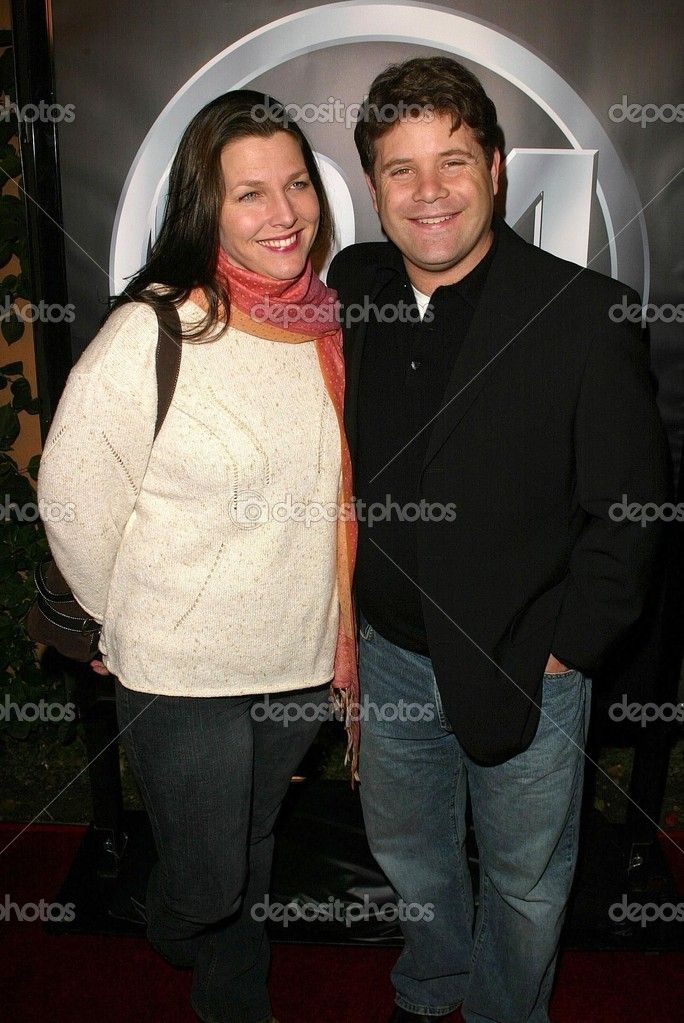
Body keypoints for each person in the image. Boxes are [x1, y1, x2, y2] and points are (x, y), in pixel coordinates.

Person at [327, 57, 670, 1023]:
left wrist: (565, 651)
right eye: (400, 169)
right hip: (390, 656)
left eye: (452, 162)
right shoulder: (354, 286)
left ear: (496, 168)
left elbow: (633, 511)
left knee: (525, 879)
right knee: (410, 852)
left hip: (525, 661)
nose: (428, 192)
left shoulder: (585, 314)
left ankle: (502, 1012)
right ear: (373, 188)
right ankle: (433, 984)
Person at [38, 90, 358, 1023]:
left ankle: (225, 984)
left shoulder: (327, 326)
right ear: (203, 208)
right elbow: (73, 495)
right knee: (213, 878)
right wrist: (120, 617)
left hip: (303, 660)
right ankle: (185, 931)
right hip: (183, 672)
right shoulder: (153, 331)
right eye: (249, 193)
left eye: (297, 184)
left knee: (250, 840)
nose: (284, 212)